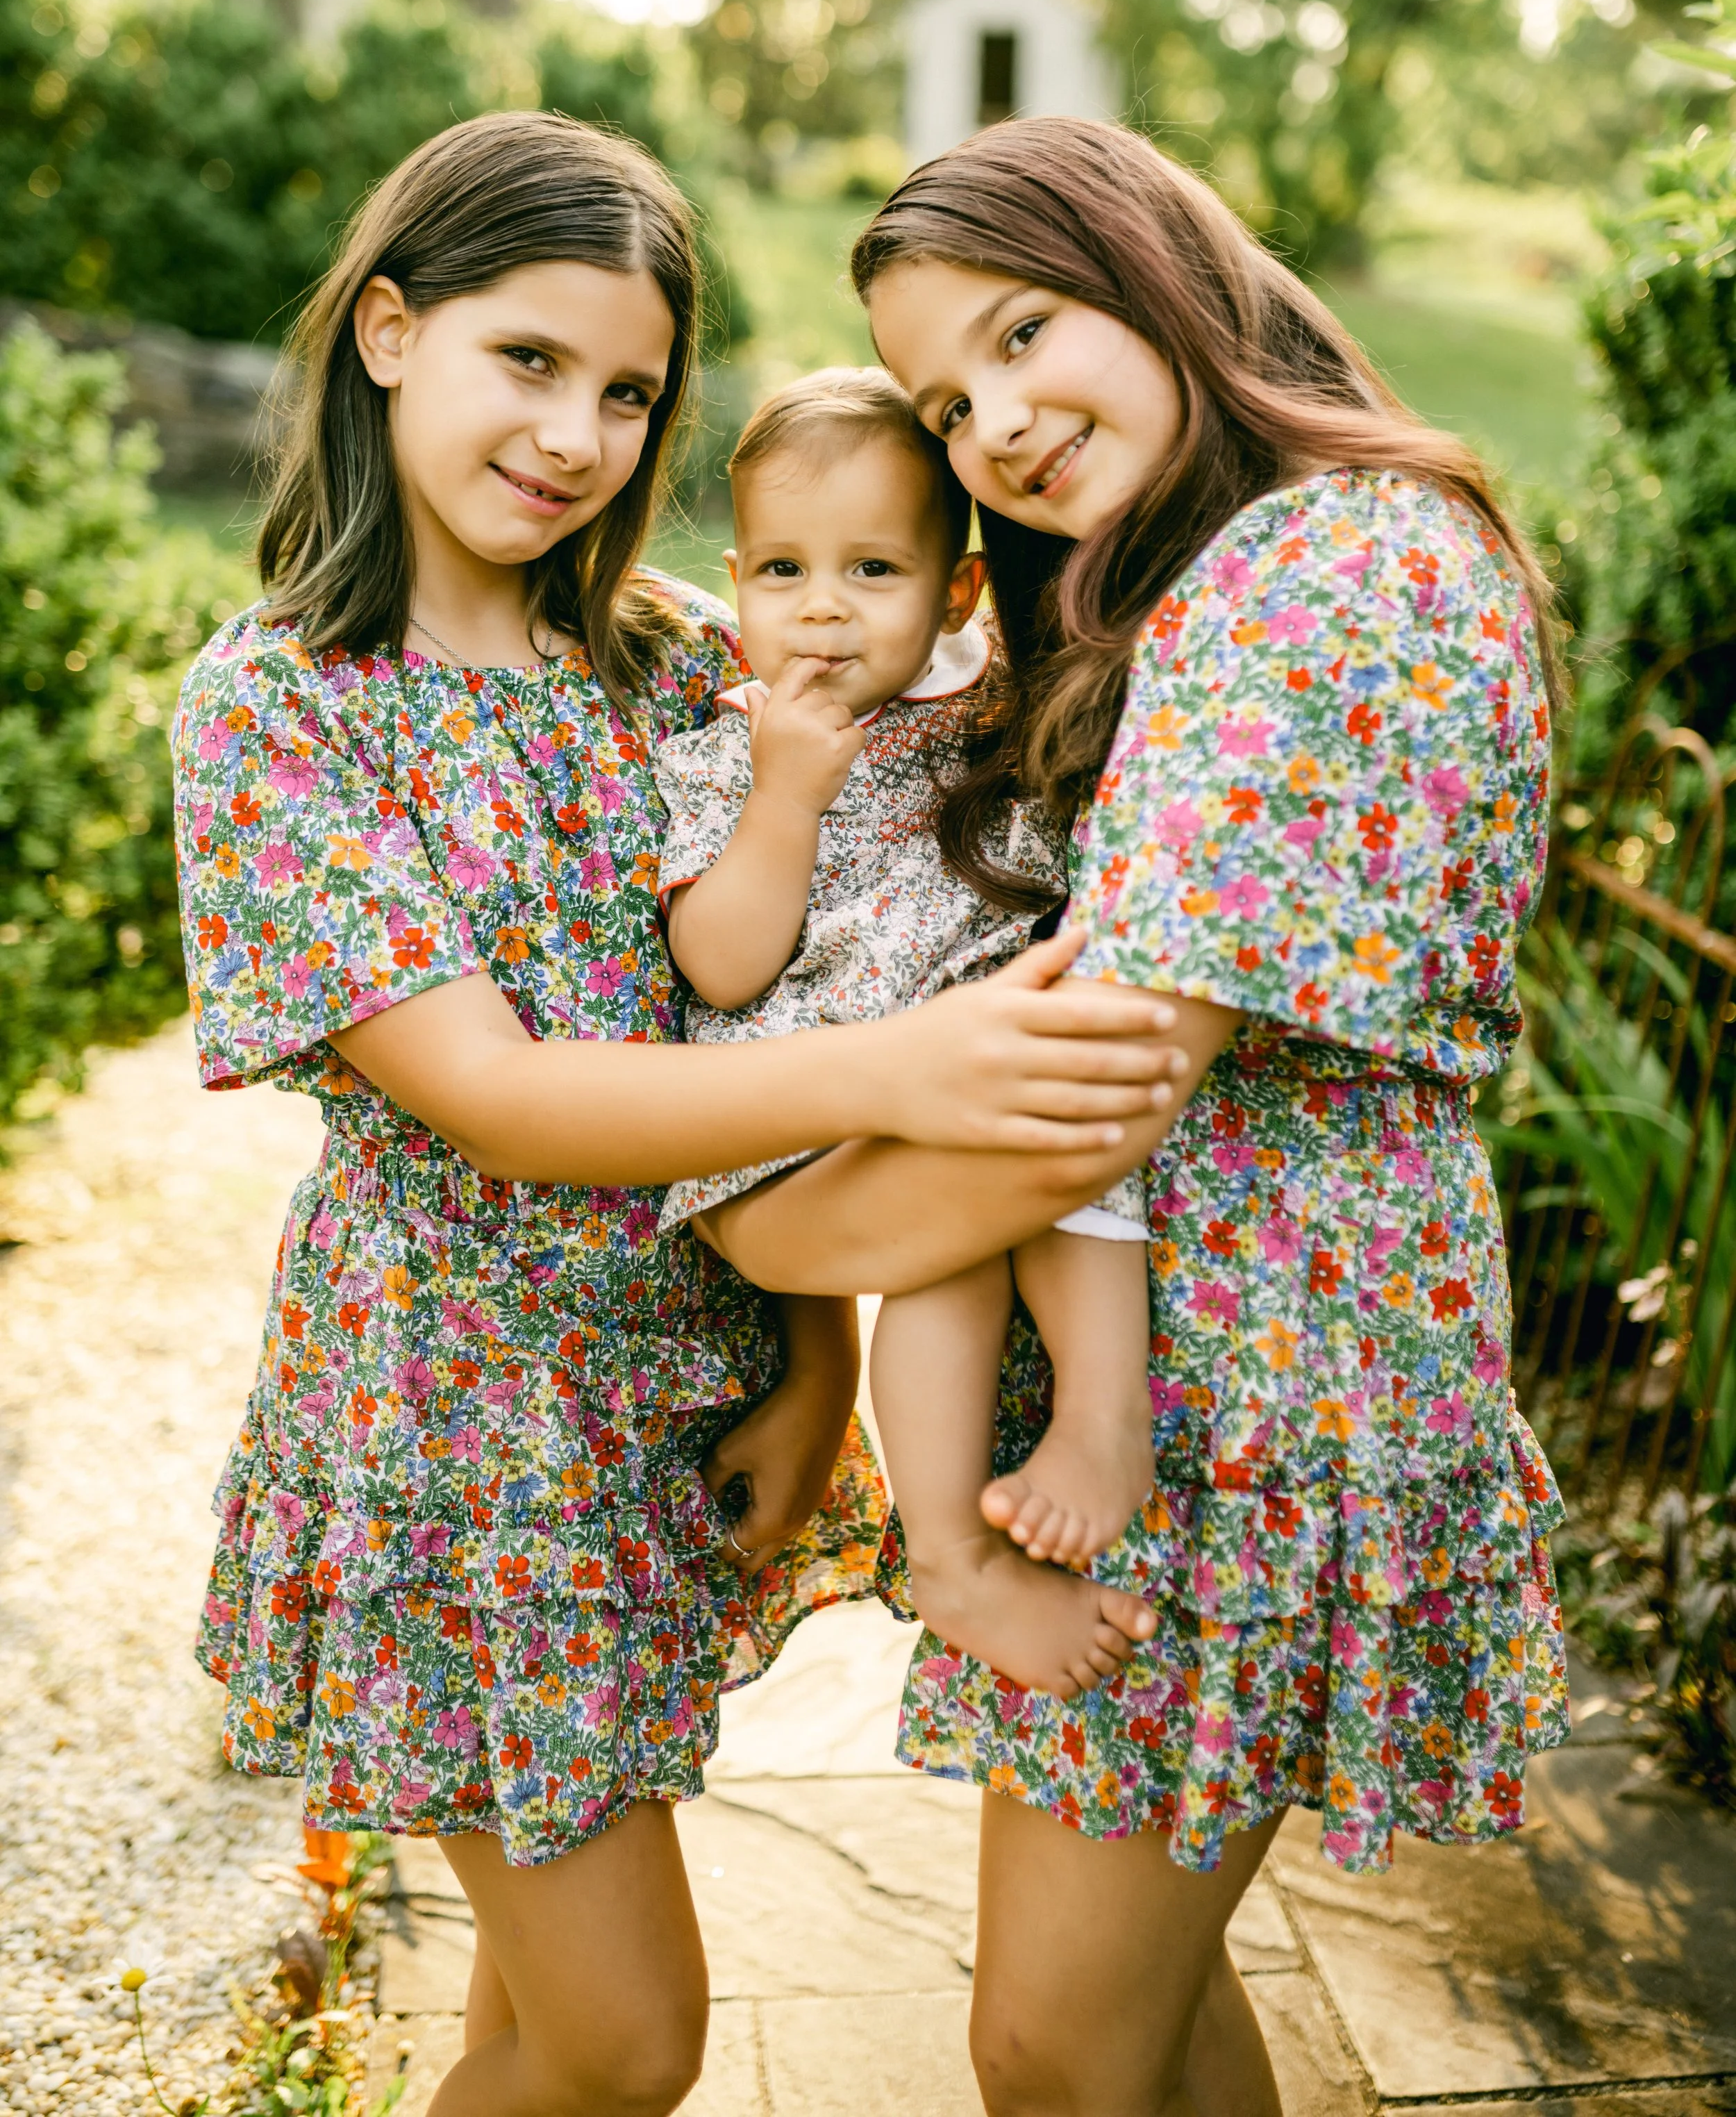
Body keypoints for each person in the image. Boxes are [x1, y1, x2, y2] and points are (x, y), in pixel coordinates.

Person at [169, 110, 1193, 2117]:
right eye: (527, 360)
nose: (577, 434)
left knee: (537, 2017)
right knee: (628, 2040)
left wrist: (810, 1354)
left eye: (628, 390)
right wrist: (907, 1076)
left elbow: (769, 981)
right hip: (463, 1432)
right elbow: (505, 1096)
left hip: (659, 1401)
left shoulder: (651, 667)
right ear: (386, 332)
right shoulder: (281, 704)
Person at [692, 115, 1573, 2117]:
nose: (993, 420)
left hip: (1247, 1391)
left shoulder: (1328, 562)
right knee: (1139, 2025)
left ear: (1154, 260)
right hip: (1201, 1367)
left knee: (1057, 2042)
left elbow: (1088, 1092)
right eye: (947, 393)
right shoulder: (1201, 574)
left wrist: (758, 1228)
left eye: (1021, 331)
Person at [653, 367, 1159, 1701]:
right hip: (792, 1140)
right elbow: (717, 962)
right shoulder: (731, 746)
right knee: (960, 1250)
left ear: (958, 593)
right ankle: (949, 1554)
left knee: (1062, 1166)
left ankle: (1106, 1421)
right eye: (780, 568)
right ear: (737, 576)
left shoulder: (999, 709)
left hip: (975, 1083)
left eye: (872, 567)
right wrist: (785, 799)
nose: (820, 607)